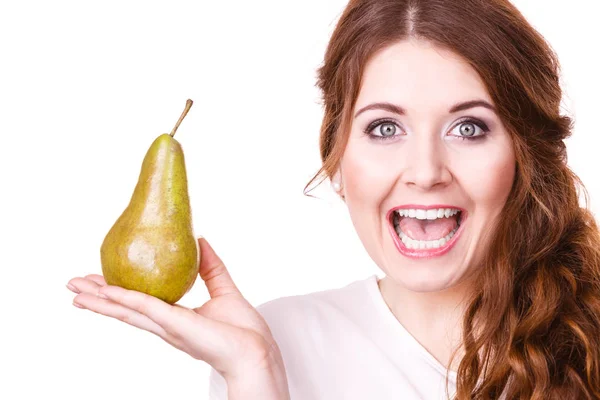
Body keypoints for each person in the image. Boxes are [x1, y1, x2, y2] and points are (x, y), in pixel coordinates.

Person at [67, 0, 600, 398]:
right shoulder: (274, 342)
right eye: (386, 128)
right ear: (338, 158)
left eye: (468, 128)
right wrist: (257, 375)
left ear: (525, 154)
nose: (425, 172)